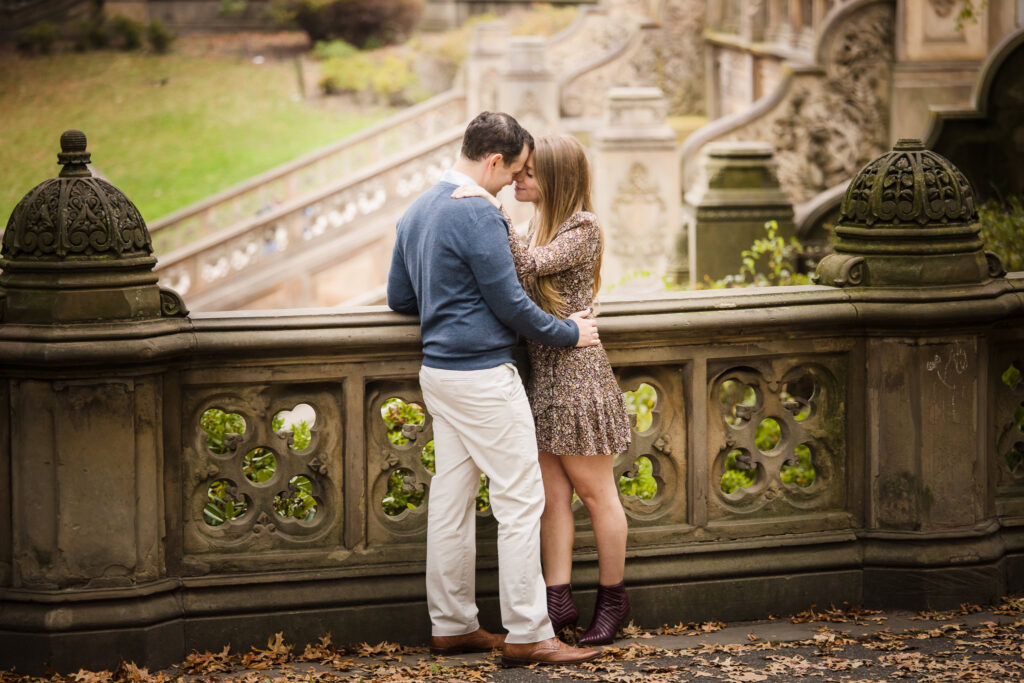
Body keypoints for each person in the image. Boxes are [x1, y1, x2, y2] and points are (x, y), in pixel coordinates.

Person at [386, 112, 603, 667]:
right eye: (515, 171)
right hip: (482, 375)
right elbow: (512, 304)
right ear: (493, 161)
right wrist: (570, 332)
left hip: (437, 373)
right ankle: (530, 632)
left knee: (451, 501)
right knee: (521, 499)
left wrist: (450, 301)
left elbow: (400, 300)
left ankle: (453, 624)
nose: (515, 182)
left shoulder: (418, 209)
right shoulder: (477, 214)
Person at [452, 134, 632, 646]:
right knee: (551, 499)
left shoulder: (583, 227)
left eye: (529, 173)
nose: (517, 179)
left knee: (597, 496)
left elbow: (524, 268)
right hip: (541, 379)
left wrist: (489, 208)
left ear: (555, 177)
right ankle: (557, 601)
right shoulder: (534, 226)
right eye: (518, 171)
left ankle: (614, 600)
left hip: (578, 379)